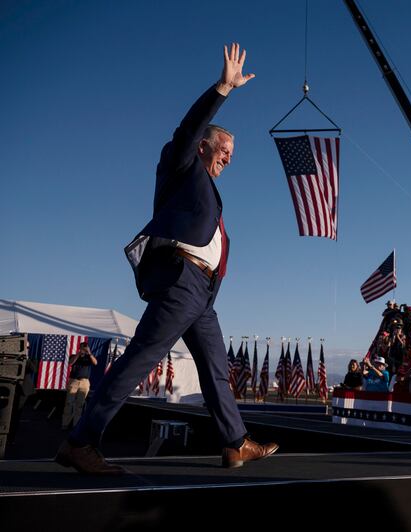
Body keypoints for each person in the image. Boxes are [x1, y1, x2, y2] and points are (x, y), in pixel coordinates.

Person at [56, 44, 278, 475]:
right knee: (139, 359)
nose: (230, 158)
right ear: (203, 147)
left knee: (216, 369)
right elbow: (189, 128)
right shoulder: (180, 164)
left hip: (204, 294)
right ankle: (81, 442)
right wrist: (222, 89)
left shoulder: (210, 188)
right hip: (180, 281)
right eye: (225, 149)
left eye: (232, 153)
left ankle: (235, 444)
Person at [61, 342, 97, 430]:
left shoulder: (89, 357)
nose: (83, 350)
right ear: (79, 348)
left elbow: (95, 363)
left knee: (80, 404)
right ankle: (65, 423)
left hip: (84, 382)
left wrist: (89, 353)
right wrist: (78, 354)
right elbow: (70, 363)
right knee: (69, 403)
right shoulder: (74, 356)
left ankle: (76, 425)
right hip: (74, 381)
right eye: (82, 348)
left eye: (85, 348)